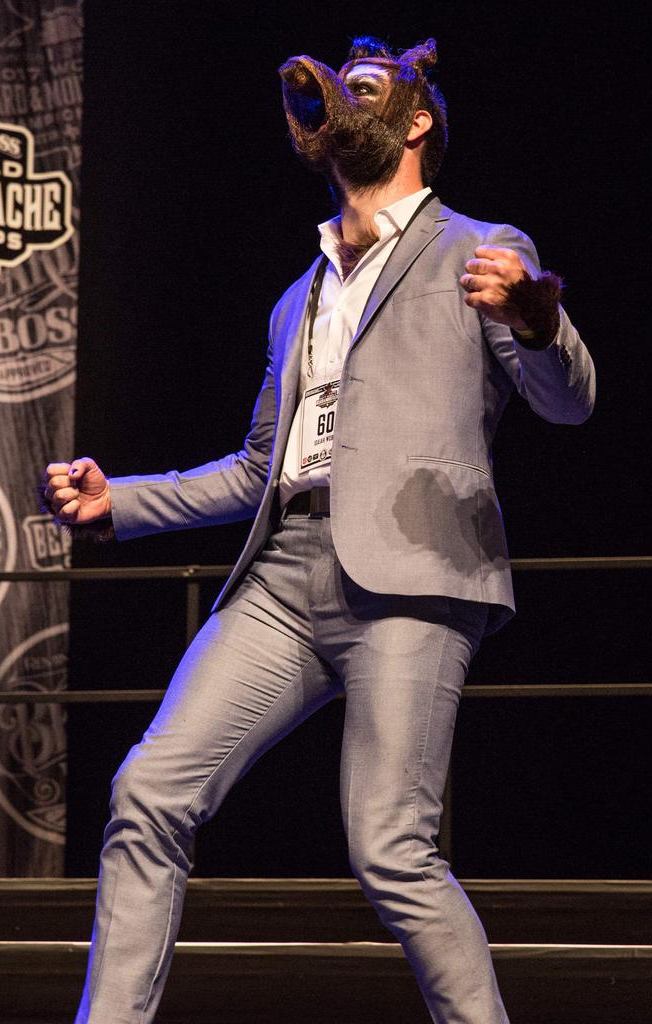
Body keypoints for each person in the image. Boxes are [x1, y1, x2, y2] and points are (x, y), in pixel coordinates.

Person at [43, 35, 595, 1024]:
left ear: (417, 121)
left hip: (414, 575)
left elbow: (569, 403)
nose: (347, 95)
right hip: (284, 577)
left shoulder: (478, 247)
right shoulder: (299, 297)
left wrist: (537, 322)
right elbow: (261, 469)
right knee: (147, 792)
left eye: (372, 86)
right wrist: (115, 500)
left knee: (389, 847)